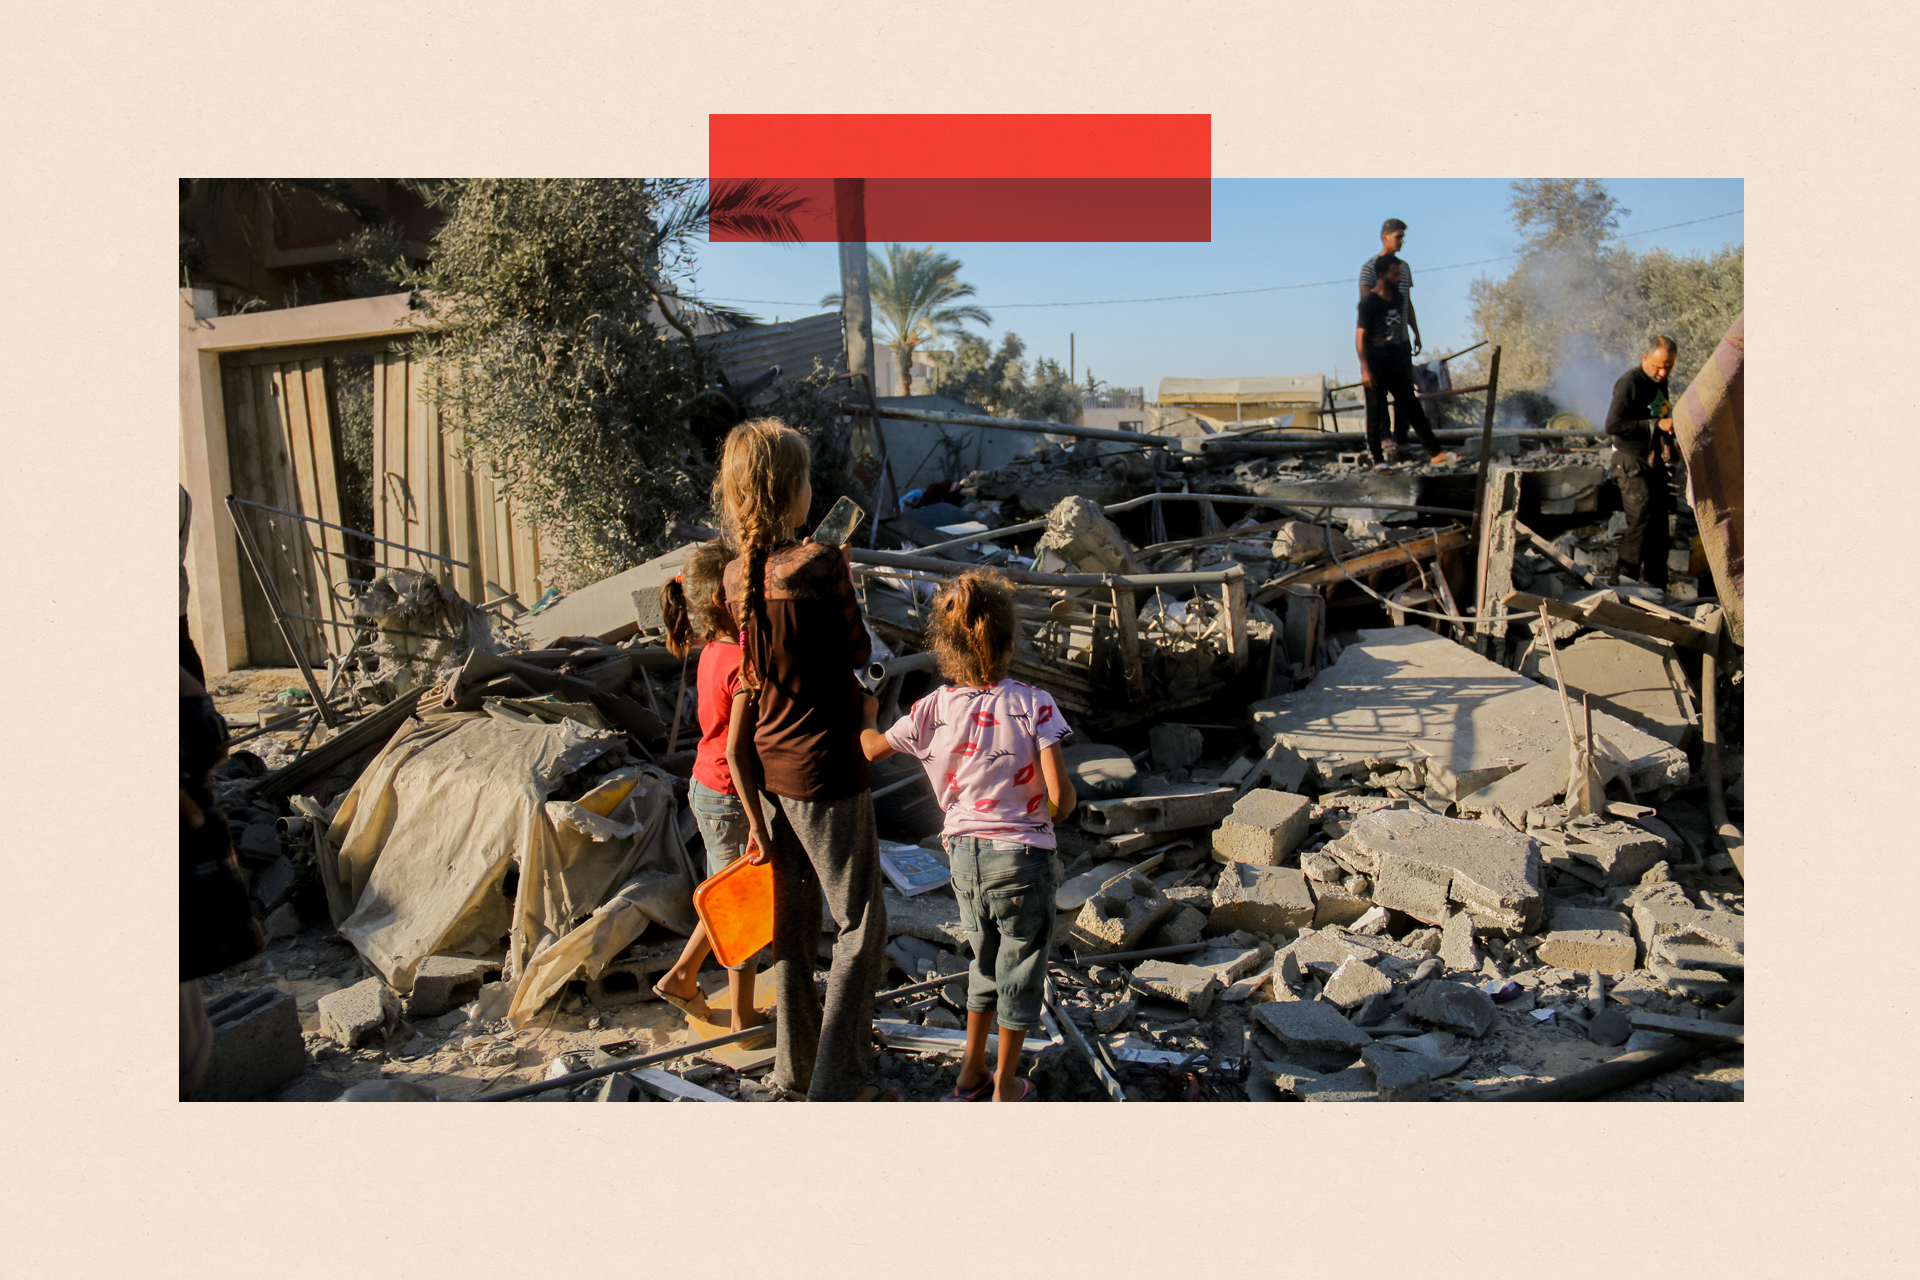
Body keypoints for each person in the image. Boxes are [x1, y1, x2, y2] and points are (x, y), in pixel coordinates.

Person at [859, 569, 1076, 1102]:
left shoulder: (931, 708)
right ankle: (1005, 1086)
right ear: (1007, 642)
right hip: (1022, 857)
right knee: (1020, 968)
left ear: (946, 647)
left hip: (964, 857)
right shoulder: (1034, 703)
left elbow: (868, 749)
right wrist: (1039, 813)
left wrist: (866, 707)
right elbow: (1062, 798)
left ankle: (969, 1075)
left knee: (982, 960)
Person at [719, 418, 887, 1102]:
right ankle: (836, 1080)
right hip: (827, 771)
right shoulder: (821, 564)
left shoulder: (736, 575)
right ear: (791, 490)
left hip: (770, 767)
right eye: (808, 479)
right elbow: (857, 651)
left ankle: (793, 1072)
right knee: (860, 926)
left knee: (792, 932)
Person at [649, 539, 769, 1040]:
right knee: (741, 911)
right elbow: (740, 753)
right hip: (729, 794)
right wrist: (758, 821)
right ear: (726, 597)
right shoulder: (741, 664)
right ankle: (742, 1020)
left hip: (707, 784)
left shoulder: (712, 651)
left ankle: (681, 977)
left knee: (727, 897)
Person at [1605, 335, 1679, 589]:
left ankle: (1657, 588)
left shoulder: (1661, 381)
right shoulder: (1629, 382)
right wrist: (1654, 425)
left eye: (1668, 367)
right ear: (1644, 358)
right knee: (1640, 521)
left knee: (1659, 526)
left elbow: (1661, 412)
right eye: (1657, 366)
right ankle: (1621, 585)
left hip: (1653, 462)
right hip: (1629, 461)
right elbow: (1613, 425)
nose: (1661, 372)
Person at [1356, 255, 1444, 465]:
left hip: (1397, 358)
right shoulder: (1369, 302)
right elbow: (1360, 338)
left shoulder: (1398, 298)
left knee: (1411, 405)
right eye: (1395, 275)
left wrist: (1414, 334)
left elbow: (1404, 318)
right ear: (1381, 276)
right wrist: (1365, 368)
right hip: (1376, 360)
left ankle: (1435, 453)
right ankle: (1377, 460)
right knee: (1376, 410)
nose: (1398, 279)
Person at [1358, 218, 1421, 354]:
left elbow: (1407, 303)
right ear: (1385, 237)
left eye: (1402, 237)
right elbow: (1365, 308)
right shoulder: (1370, 268)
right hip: (1380, 345)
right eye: (1398, 237)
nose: (1401, 241)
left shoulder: (1403, 267)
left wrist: (1416, 333)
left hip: (1402, 341)